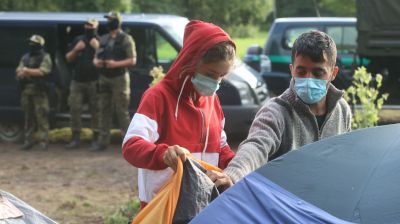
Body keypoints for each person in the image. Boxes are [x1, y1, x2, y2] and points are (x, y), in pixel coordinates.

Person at [208, 30, 352, 187]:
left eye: (318, 72)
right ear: (292, 70)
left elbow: (346, 157)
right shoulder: (276, 112)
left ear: (333, 73)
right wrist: (232, 175)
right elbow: (256, 147)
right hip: (286, 206)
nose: (308, 78)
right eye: (301, 71)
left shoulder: (341, 110)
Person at [122, 20, 236, 209]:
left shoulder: (212, 101)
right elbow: (131, 146)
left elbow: (221, 147)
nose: (215, 83)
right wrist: (162, 153)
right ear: (191, 62)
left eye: (221, 77)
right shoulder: (158, 96)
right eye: (210, 74)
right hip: (162, 206)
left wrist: (233, 169)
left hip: (203, 204)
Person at [92, 11, 137, 151]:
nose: (108, 22)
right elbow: (95, 58)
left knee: (121, 111)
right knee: (103, 109)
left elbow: (133, 60)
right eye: (108, 20)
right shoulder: (103, 38)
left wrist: (115, 64)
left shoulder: (126, 39)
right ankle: (102, 142)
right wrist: (97, 62)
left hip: (119, 78)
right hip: (104, 77)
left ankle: (129, 145)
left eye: (111, 20)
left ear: (117, 21)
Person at [65, 18, 100, 149]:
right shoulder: (77, 40)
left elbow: (106, 60)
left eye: (92, 25)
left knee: (95, 110)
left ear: (96, 26)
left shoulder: (100, 41)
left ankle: (95, 139)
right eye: (87, 25)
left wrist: (97, 48)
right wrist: (76, 49)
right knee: (74, 108)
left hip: (94, 81)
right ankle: (75, 138)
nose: (89, 27)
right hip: (77, 81)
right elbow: (68, 58)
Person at [16, 34, 52, 150]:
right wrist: (24, 72)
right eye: (30, 43)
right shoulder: (25, 57)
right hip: (27, 90)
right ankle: (28, 141)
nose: (31, 45)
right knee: (28, 117)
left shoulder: (45, 57)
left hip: (39, 91)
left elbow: (43, 71)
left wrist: (27, 71)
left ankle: (43, 141)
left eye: (33, 44)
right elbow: (18, 71)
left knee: (42, 116)